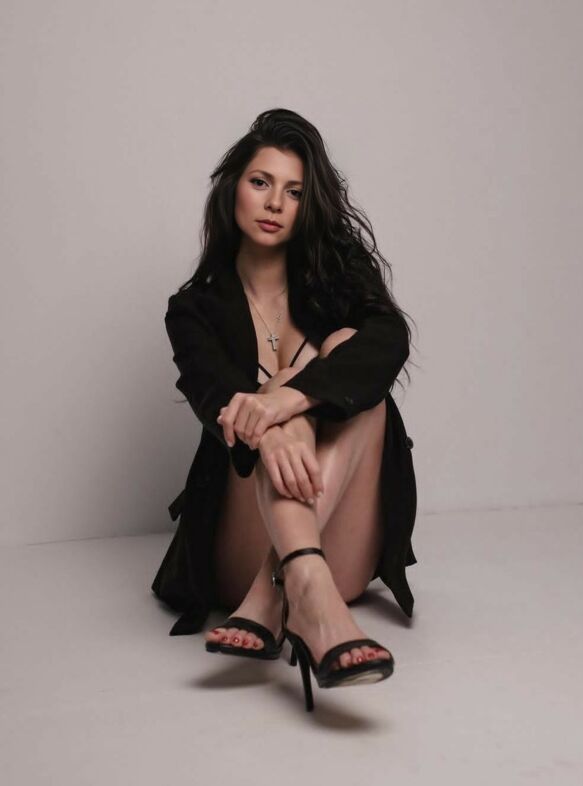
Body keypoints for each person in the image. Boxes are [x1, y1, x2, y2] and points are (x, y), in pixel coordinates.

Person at [152, 108, 418, 711]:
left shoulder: (335, 280)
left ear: (308, 204)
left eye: (294, 191)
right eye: (260, 182)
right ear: (232, 189)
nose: (275, 203)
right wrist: (270, 427)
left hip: (341, 544)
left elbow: (388, 341)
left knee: (348, 362)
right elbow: (214, 397)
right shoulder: (194, 311)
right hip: (238, 550)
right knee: (283, 399)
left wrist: (290, 398)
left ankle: (285, 591)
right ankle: (308, 595)